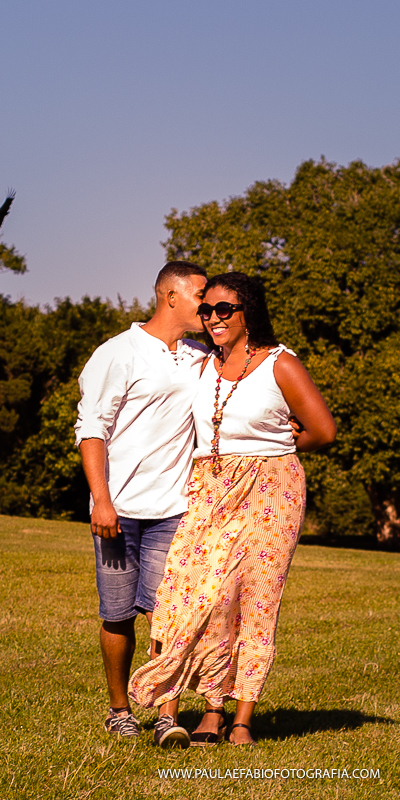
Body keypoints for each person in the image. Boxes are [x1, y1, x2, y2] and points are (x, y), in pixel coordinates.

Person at [128, 272, 335, 747]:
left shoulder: (280, 364)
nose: (214, 318)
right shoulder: (202, 366)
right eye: (207, 310)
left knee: (257, 600)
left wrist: (275, 446)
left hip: (272, 489)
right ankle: (209, 706)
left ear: (248, 313)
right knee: (198, 594)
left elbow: (323, 430)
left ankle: (239, 717)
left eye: (225, 310)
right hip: (210, 487)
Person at [74, 261, 209, 742]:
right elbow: (92, 429)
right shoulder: (117, 352)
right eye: (200, 296)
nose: (207, 306)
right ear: (170, 296)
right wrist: (101, 500)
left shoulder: (198, 357)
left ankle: (168, 716)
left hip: (174, 510)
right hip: (119, 511)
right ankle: (119, 711)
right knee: (116, 613)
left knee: (168, 613)